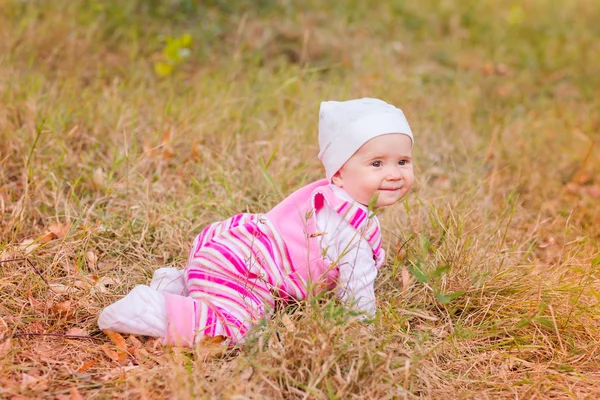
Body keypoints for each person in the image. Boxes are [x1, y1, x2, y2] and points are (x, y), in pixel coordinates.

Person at [98, 98, 414, 347]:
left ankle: (178, 284)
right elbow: (357, 293)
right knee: (237, 327)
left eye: (403, 161)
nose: (394, 173)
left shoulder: (331, 198)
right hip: (246, 264)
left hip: (231, 248)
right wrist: (363, 336)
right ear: (340, 174)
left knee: (231, 292)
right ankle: (151, 310)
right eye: (377, 163)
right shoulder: (351, 229)